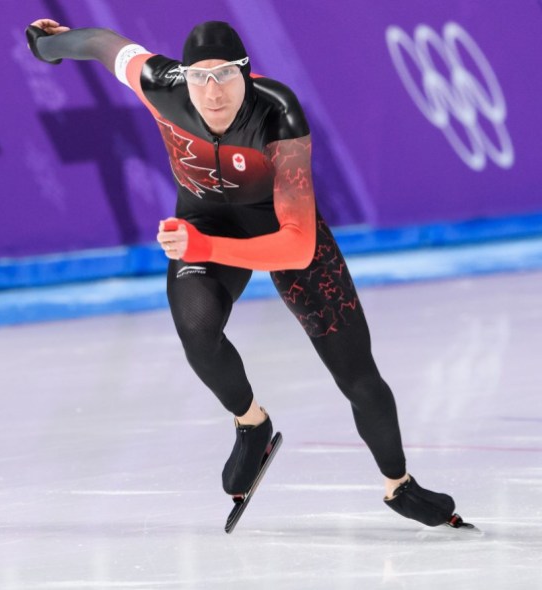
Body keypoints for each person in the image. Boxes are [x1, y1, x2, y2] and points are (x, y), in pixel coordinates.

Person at [25, 18, 470, 529]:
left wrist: (202, 246)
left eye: (225, 78)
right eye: (200, 78)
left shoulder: (277, 114)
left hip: (277, 226)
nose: (212, 93)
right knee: (196, 329)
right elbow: (104, 46)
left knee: (357, 376)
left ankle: (399, 485)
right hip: (204, 218)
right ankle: (251, 423)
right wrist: (50, 46)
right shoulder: (158, 84)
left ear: (247, 73)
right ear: (183, 77)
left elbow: (299, 247)